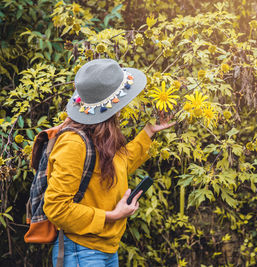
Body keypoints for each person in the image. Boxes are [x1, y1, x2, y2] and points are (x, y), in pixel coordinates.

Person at [43, 59, 175, 266]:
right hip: (81, 251)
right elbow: (56, 208)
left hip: (104, 248)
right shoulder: (73, 143)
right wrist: (112, 216)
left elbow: (119, 166)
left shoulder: (99, 134)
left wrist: (149, 131)